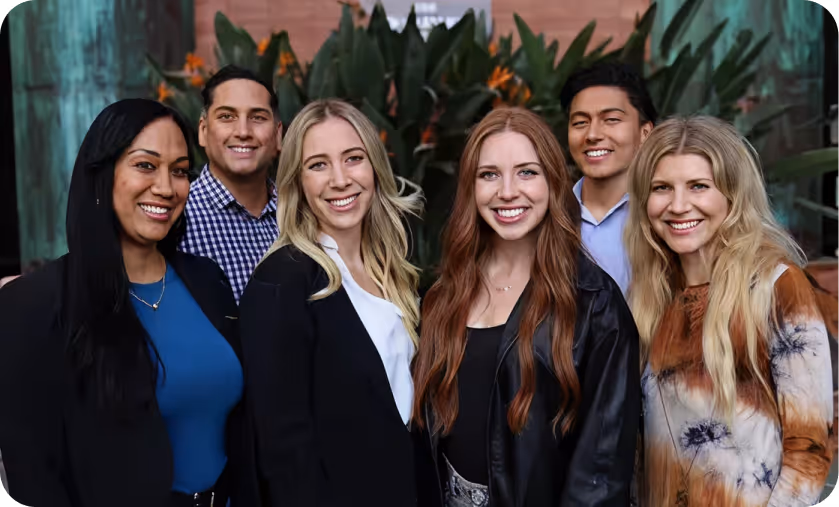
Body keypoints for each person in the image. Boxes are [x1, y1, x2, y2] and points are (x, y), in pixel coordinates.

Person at [0, 99, 253, 507]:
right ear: (102, 174)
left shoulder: (208, 281)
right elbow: (35, 475)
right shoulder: (33, 304)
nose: (167, 188)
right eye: (145, 165)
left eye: (180, 171)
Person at [412, 107, 641, 507]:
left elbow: (599, 474)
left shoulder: (595, 303)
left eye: (526, 172)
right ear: (471, 187)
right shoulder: (443, 295)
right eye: (489, 175)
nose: (507, 191)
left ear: (553, 181)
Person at [626, 116, 834, 506]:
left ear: (733, 195)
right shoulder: (647, 295)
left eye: (699, 186)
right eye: (661, 188)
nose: (678, 205)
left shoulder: (776, 286)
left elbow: (809, 448)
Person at [239, 98, 423, 507]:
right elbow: (284, 453)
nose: (340, 179)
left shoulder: (393, 272)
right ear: (297, 181)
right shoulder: (282, 282)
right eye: (318, 165)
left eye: (353, 158)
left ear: (374, 166)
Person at [180, 65, 283, 303]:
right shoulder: (176, 221)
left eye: (257, 117)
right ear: (203, 131)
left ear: (278, 136)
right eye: (227, 117)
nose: (243, 131)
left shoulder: (304, 216)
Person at [559, 61, 657, 295]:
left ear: (645, 133)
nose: (592, 135)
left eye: (611, 119)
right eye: (580, 123)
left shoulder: (664, 216)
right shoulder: (551, 216)